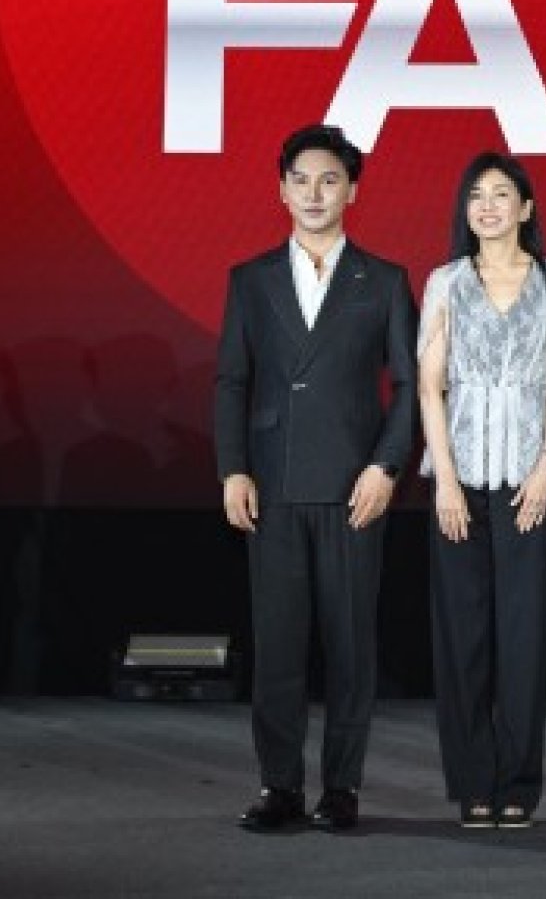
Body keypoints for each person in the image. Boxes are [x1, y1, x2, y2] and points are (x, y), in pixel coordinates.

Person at [214, 124, 418, 833]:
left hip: (353, 488)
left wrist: (386, 467)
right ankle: (279, 787)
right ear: (281, 190)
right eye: (300, 180)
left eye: (329, 180)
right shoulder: (251, 279)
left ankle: (342, 787)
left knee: (350, 646)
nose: (314, 193)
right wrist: (233, 469)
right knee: (278, 646)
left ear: (352, 191)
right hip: (271, 486)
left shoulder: (384, 280)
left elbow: (411, 387)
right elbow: (231, 381)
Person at [418, 152, 546, 830]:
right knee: (463, 638)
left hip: (527, 484)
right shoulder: (447, 282)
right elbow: (430, 386)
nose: (487, 206)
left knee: (522, 638)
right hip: (459, 484)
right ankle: (472, 783)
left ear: (525, 207)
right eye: (476, 195)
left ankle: (518, 783)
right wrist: (445, 480)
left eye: (501, 194)